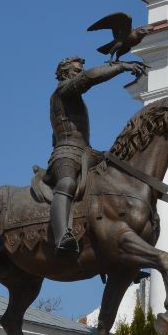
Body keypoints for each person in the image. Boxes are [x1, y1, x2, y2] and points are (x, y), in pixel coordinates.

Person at [48, 55, 145, 253]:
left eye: (80, 71)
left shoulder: (74, 100)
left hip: (87, 153)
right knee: (66, 183)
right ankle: (62, 238)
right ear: (64, 74)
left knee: (122, 174)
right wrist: (120, 67)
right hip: (66, 152)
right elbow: (89, 78)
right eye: (76, 72)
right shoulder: (62, 92)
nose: (80, 74)